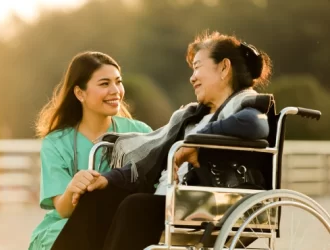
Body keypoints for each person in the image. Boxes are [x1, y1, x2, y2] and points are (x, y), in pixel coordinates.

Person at [51, 31, 273, 250]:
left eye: (197, 67)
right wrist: (107, 180)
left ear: (224, 67)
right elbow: (152, 163)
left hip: (217, 200)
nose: (192, 77)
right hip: (177, 198)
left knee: (136, 207)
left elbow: (256, 125)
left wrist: (195, 144)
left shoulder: (244, 101)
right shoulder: (192, 116)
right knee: (98, 197)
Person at [28, 51, 152, 250]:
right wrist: (73, 188)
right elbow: (63, 209)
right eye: (104, 84)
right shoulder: (56, 143)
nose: (116, 90)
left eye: (118, 82)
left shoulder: (141, 133)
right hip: (69, 224)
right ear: (80, 93)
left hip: (122, 224)